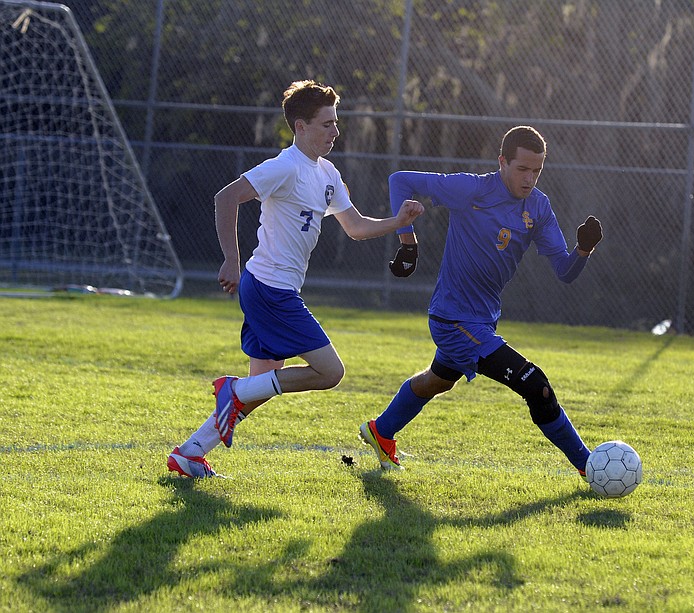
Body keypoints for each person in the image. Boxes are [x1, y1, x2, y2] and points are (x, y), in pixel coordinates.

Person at [167, 80, 423, 478]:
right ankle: (230, 391)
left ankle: (189, 453)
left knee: (257, 390)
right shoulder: (283, 166)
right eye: (326, 124)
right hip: (270, 289)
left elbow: (354, 226)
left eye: (336, 123)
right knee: (330, 373)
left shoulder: (328, 173)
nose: (335, 132)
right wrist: (230, 260)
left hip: (271, 289)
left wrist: (397, 223)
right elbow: (226, 197)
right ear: (300, 127)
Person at [359, 125, 603, 477]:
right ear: (502, 162)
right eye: (522, 169)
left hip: (482, 320)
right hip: (454, 320)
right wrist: (407, 242)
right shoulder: (471, 189)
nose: (530, 178)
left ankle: (381, 431)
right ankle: (590, 468)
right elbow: (400, 180)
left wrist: (583, 250)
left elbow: (565, 271)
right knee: (537, 386)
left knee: (437, 380)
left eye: (537, 170)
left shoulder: (538, 207)